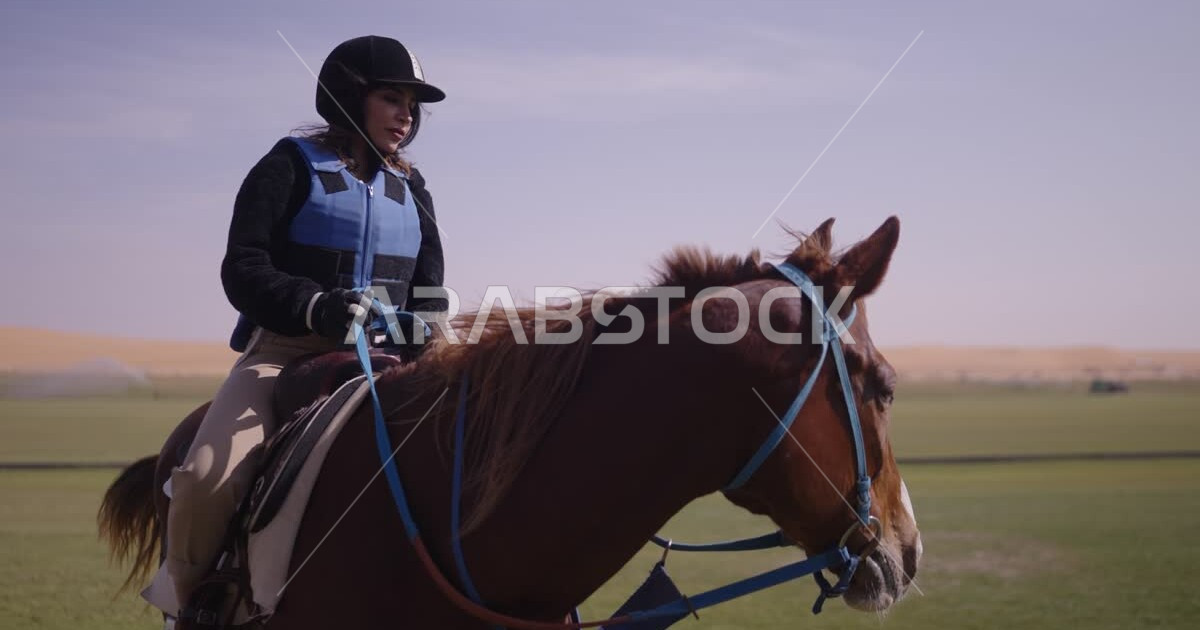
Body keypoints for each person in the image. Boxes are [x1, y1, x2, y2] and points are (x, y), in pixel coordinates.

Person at [153, 35, 448, 619]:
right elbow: (244, 266)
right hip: (286, 351)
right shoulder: (288, 165)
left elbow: (430, 287)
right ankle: (191, 604)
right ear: (348, 97)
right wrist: (316, 305)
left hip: (391, 360)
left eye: (412, 104)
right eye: (391, 97)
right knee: (206, 476)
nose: (406, 114)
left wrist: (433, 336)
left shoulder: (413, 191)